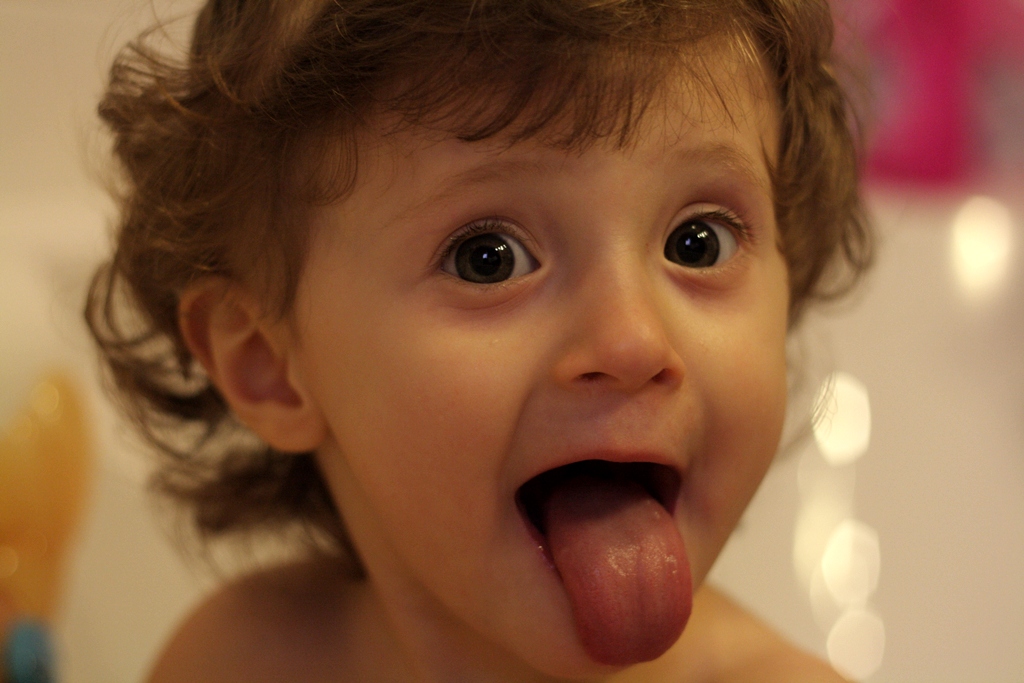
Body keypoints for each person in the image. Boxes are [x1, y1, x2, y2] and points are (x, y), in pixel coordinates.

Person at [87, 0, 872, 680]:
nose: (633, 342)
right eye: (487, 258)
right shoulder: (240, 662)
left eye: (698, 243)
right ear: (269, 365)